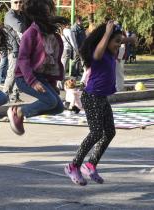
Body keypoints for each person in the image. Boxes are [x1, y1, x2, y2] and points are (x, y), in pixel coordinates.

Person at [64, 21, 123, 186]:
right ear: (105, 41)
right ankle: (73, 165)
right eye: (116, 42)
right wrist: (107, 32)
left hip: (102, 98)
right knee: (96, 132)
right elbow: (99, 52)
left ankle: (90, 164)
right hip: (91, 97)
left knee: (110, 132)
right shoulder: (100, 54)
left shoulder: (111, 53)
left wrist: (127, 39)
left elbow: (116, 41)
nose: (119, 45)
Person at [7, 0, 67, 135]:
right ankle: (19, 112)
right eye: (47, 13)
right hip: (24, 77)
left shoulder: (52, 36)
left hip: (42, 77)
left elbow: (51, 63)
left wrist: (52, 84)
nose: (50, 15)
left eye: (50, 12)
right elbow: (22, 59)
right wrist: (32, 81)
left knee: (58, 107)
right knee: (50, 101)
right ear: (38, 15)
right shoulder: (31, 32)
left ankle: (21, 112)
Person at [3, 0, 27, 103]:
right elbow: (20, 27)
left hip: (22, 47)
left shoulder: (22, 15)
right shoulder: (9, 15)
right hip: (13, 49)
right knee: (12, 73)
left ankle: (15, 95)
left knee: (20, 73)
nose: (18, 4)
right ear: (11, 3)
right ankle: (4, 95)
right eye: (16, 2)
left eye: (20, 2)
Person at [57, 22, 78, 90]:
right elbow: (73, 42)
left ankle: (59, 84)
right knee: (63, 68)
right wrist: (76, 50)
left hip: (62, 50)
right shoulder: (68, 31)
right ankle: (60, 85)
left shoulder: (62, 31)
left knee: (62, 67)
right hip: (67, 50)